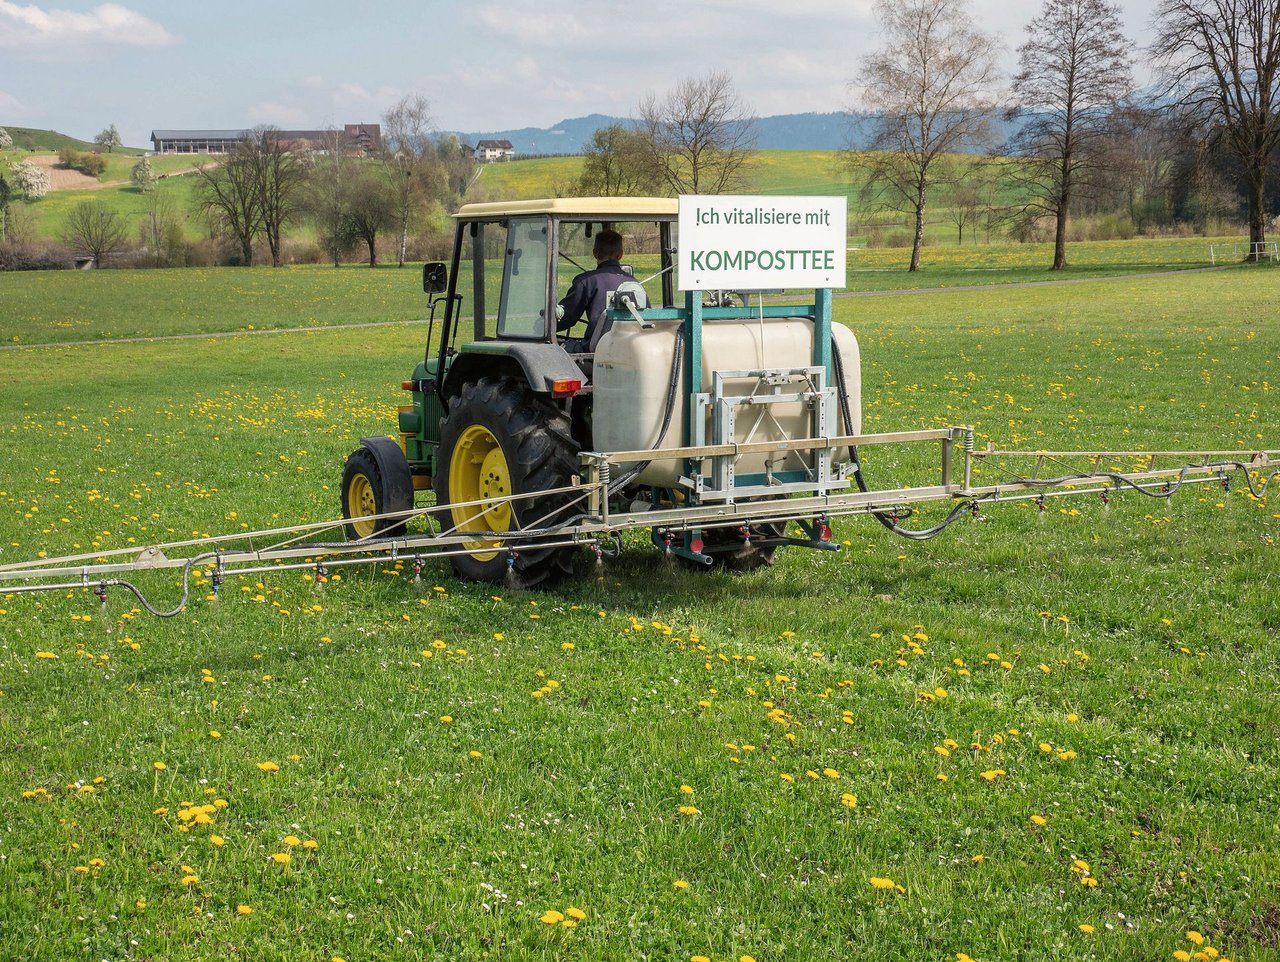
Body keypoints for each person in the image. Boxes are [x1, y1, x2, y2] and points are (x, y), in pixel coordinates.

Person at [557, 229, 632, 353]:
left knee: (560, 349)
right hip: (628, 349)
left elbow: (566, 318)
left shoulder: (586, 281)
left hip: (596, 351)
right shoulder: (633, 283)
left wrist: (543, 326)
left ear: (595, 253)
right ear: (620, 254)